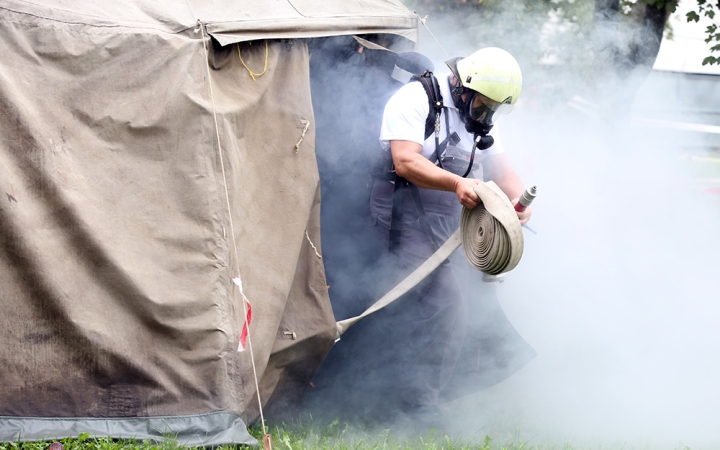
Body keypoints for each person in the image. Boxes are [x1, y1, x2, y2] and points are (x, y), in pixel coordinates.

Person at [367, 47, 532, 421]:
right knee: (432, 302)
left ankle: (416, 398)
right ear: (461, 87)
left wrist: (519, 204)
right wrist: (459, 183)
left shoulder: (482, 115)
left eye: (495, 110)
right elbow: (405, 161)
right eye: (483, 107)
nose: (487, 116)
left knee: (451, 305)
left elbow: (504, 175)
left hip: (446, 220)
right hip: (401, 210)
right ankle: (408, 403)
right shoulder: (415, 97)